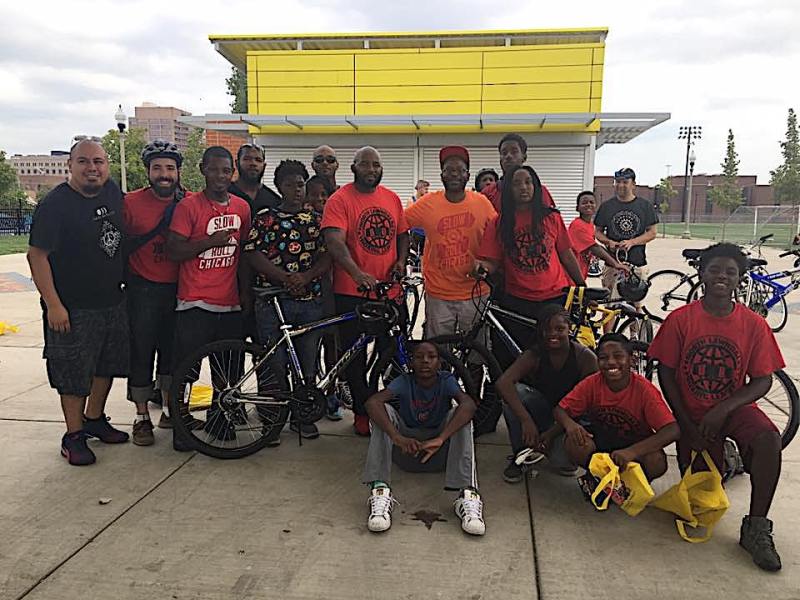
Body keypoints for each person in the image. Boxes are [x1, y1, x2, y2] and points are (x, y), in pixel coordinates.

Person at [648, 243, 785, 572]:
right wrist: (686, 425)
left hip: (731, 408)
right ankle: (728, 459)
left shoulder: (753, 324)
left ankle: (756, 527)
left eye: (730, 272)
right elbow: (665, 373)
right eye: (714, 270)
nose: (722, 276)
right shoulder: (681, 320)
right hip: (691, 412)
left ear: (740, 279)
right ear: (701, 273)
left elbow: (762, 381)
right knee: (699, 505)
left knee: (768, 438)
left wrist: (723, 409)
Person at [27, 139, 130, 466]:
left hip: (111, 300)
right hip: (72, 307)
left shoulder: (111, 191)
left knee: (106, 365)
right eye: (84, 161)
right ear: (70, 165)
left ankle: (94, 418)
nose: (92, 168)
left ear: (106, 165)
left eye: (98, 161)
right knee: (73, 373)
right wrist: (53, 305)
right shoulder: (55, 205)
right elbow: (37, 256)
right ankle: (73, 436)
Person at [166, 146, 251, 450]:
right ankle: (180, 425)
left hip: (229, 303)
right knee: (186, 370)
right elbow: (173, 250)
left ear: (233, 173)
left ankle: (219, 418)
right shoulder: (188, 207)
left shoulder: (242, 207)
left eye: (225, 171)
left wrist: (244, 293)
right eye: (213, 170)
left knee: (227, 371)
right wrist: (209, 242)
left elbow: (244, 254)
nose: (219, 176)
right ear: (202, 169)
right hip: (194, 302)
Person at [321, 146, 409, 436]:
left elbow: (402, 234)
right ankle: (361, 412)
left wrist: (400, 261)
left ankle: (391, 409)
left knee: (392, 354)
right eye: (365, 164)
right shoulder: (340, 200)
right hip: (352, 293)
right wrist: (356, 273)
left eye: (376, 165)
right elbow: (334, 242)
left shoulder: (391, 198)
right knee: (354, 359)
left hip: (389, 293)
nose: (371, 170)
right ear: (353, 167)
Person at [244, 160, 331, 440]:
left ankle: (302, 416)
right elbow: (252, 253)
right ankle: (272, 421)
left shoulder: (316, 220)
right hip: (272, 302)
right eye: (290, 185)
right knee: (274, 363)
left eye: (301, 184)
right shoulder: (265, 217)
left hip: (309, 300)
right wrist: (284, 278)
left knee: (307, 361)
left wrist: (306, 277)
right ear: (279, 187)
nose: (297, 189)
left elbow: (328, 255)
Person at [362, 341, 485, 536]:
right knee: (382, 411)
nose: (425, 361)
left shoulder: (446, 380)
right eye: (419, 357)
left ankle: (468, 494)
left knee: (461, 416)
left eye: (431, 357)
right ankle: (380, 491)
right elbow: (372, 403)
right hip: (407, 451)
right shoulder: (404, 381)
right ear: (411, 363)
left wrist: (441, 438)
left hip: (439, 453)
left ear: (440, 363)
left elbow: (469, 405)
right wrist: (397, 437)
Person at [476, 165, 585, 370]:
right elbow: (492, 261)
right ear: (509, 190)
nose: (523, 187)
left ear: (536, 187)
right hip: (517, 300)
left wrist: (581, 285)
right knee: (513, 355)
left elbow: (566, 254)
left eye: (528, 182)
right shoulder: (499, 223)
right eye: (516, 183)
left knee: (555, 356)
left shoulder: (552, 217)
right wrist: (481, 268)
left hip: (554, 298)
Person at [123, 140, 187, 445]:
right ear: (148, 171)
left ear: (178, 172)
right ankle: (141, 417)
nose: (164, 174)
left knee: (173, 353)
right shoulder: (130, 203)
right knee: (141, 352)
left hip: (179, 288)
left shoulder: (188, 201)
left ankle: (171, 410)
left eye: (170, 168)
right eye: (157, 168)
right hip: (143, 288)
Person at [554, 333, 680, 481]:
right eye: (603, 357)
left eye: (618, 356)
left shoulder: (644, 390)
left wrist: (632, 452)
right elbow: (559, 410)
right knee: (576, 442)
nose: (611, 362)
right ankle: (597, 476)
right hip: (601, 442)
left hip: (634, 444)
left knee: (656, 461)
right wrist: (570, 425)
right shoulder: (592, 383)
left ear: (632, 360)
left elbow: (672, 430)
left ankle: (633, 482)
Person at [495, 304, 599, 482]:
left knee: (564, 463)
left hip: (570, 419)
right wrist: (526, 420)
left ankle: (550, 448)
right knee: (515, 394)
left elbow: (588, 404)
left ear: (569, 328)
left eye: (559, 329)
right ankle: (521, 454)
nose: (553, 334)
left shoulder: (585, 358)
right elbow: (503, 383)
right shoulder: (535, 354)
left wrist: (552, 433)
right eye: (547, 329)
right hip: (543, 410)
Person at [404, 146, 496, 342]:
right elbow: (399, 225)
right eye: (449, 170)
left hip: (476, 292)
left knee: (476, 352)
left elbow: (496, 238)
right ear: (442, 175)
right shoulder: (427, 203)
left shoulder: (482, 203)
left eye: (460, 170)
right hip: (439, 294)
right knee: (438, 351)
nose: (454, 174)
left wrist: (489, 264)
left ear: (467, 175)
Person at [303, 174, 343, 420]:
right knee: (307, 349)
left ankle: (330, 392)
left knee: (331, 346)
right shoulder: (304, 221)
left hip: (330, 291)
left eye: (324, 195)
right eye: (314, 195)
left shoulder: (335, 221)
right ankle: (307, 396)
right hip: (307, 293)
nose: (319, 199)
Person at [593, 168, 658, 300]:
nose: (620, 185)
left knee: (636, 305)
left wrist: (632, 242)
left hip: (637, 263)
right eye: (617, 182)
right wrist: (608, 242)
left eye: (625, 182)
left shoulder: (645, 206)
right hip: (612, 264)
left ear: (633, 184)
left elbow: (652, 232)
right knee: (610, 304)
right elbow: (597, 232)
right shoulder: (606, 206)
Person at [480, 133, 556, 212]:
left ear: (524, 157)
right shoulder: (487, 193)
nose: (508, 156)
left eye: (514, 152)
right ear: (500, 159)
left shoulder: (540, 191)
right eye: (504, 153)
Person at [568, 191, 630, 281]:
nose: (588, 205)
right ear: (577, 208)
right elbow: (595, 248)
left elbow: (594, 246)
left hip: (579, 272)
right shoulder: (577, 225)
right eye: (584, 203)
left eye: (591, 202)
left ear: (595, 207)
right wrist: (616, 264)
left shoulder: (589, 225)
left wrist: (615, 248)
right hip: (569, 275)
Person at [229, 143, 281, 214]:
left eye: (258, 160)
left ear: (264, 166)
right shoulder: (224, 194)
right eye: (247, 159)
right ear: (237, 163)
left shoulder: (275, 201)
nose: (253, 163)